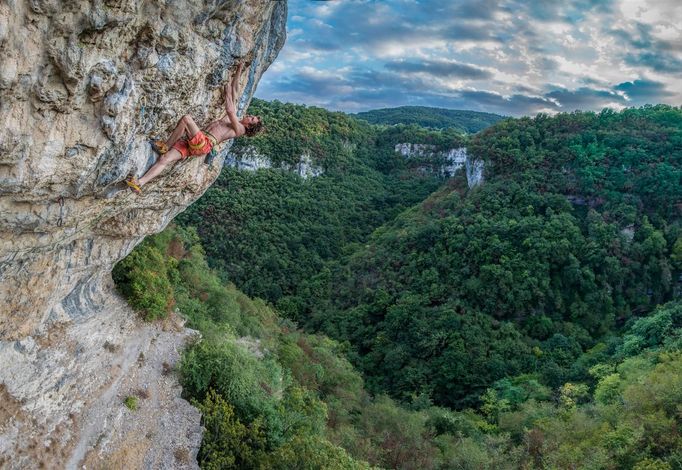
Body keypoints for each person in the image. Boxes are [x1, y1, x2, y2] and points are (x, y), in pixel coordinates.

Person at [126, 62, 263, 194]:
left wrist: (227, 92)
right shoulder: (236, 123)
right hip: (197, 143)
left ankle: (166, 145)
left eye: (251, 119)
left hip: (204, 143)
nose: (249, 115)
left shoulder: (239, 129)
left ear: (249, 126)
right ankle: (140, 183)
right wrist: (239, 69)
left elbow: (230, 109)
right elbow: (236, 91)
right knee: (164, 159)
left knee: (186, 119)